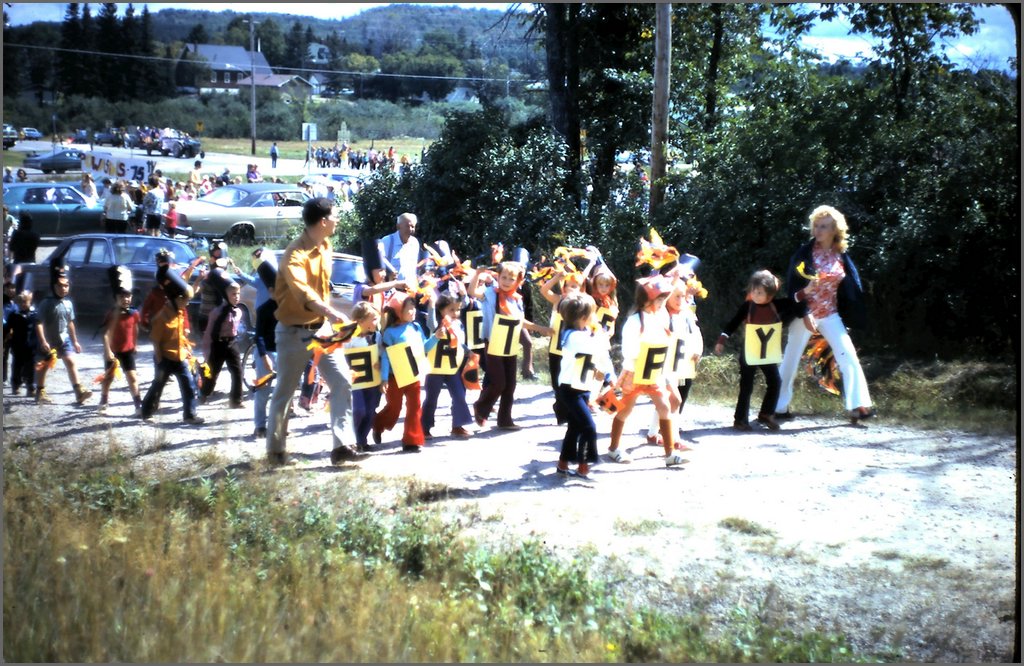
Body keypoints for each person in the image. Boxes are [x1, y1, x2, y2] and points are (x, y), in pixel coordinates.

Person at [266, 197, 368, 466]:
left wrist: (328, 316)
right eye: (335, 216)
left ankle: (342, 446)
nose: (338, 220)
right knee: (284, 394)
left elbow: (322, 288)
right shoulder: (294, 255)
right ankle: (276, 453)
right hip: (291, 331)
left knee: (342, 381)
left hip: (320, 331)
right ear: (323, 221)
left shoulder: (325, 245)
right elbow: (304, 293)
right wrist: (331, 312)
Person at [775, 205, 874, 423]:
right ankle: (777, 407)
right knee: (790, 361)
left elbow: (850, 287)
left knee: (849, 357)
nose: (818, 230)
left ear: (834, 230)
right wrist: (804, 313)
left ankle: (858, 406)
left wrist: (850, 314)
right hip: (805, 314)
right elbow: (793, 288)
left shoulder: (841, 255)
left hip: (830, 314)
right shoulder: (804, 254)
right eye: (816, 226)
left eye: (824, 227)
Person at [605, 274, 685, 467]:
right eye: (659, 299)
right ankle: (614, 448)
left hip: (654, 373)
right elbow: (629, 351)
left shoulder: (661, 315)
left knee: (665, 407)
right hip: (634, 373)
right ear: (647, 299)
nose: (662, 303)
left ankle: (670, 454)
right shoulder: (634, 321)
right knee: (624, 410)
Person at [468, 260, 554, 431]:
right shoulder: (489, 293)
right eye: (504, 277)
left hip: (510, 343)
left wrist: (540, 328)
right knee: (498, 382)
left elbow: (520, 321)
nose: (506, 281)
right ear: (498, 277)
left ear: (518, 281)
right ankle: (481, 406)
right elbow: (471, 291)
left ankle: (505, 419)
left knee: (510, 384)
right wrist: (477, 274)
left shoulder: (516, 300)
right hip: (493, 343)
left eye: (511, 279)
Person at [714, 269, 799, 431]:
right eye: (753, 291)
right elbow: (733, 322)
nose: (755, 294)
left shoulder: (777, 305)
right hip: (749, 352)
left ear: (770, 295)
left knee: (775, 382)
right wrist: (721, 340)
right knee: (746, 386)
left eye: (759, 292)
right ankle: (740, 419)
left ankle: (767, 413)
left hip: (767, 354)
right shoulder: (748, 306)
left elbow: (795, 300)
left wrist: (808, 291)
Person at [555, 292, 616, 479]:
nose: (595, 317)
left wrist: (610, 375)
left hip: (582, 387)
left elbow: (601, 357)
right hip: (569, 390)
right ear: (583, 318)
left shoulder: (585, 334)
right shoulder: (573, 336)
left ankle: (563, 463)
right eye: (592, 314)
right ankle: (584, 465)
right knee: (589, 426)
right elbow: (596, 347)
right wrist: (602, 333)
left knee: (574, 427)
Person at [371, 290, 438, 452]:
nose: (413, 311)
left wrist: (436, 337)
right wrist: (385, 379)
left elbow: (424, 348)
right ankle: (378, 424)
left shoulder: (416, 327)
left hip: (413, 376)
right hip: (395, 377)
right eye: (408, 308)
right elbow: (386, 357)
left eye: (413, 307)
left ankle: (412, 440)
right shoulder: (389, 333)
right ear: (398, 311)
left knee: (415, 407)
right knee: (394, 408)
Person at [139, 267, 204, 425]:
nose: (187, 303)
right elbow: (155, 339)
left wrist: (199, 280)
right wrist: (160, 360)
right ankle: (146, 411)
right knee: (157, 386)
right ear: (177, 299)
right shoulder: (162, 317)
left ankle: (190, 414)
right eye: (185, 300)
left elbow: (181, 334)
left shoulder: (180, 312)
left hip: (179, 357)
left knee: (188, 385)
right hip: (165, 359)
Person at [33, 263, 93, 405]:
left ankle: (79, 392)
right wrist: (42, 341)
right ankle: (40, 392)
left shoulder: (68, 304)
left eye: (66, 285)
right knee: (44, 366)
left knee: (71, 362)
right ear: (53, 286)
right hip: (48, 341)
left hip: (64, 339)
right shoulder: (46, 303)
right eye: (60, 285)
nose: (63, 288)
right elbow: (39, 323)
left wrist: (75, 341)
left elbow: (70, 323)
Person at [421, 291, 477, 440]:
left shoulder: (458, 324)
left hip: (452, 368)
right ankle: (424, 427)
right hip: (435, 369)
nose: (455, 313)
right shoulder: (436, 324)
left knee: (459, 395)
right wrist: (432, 305)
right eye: (451, 309)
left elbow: (459, 343)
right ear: (441, 310)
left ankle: (457, 425)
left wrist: (468, 352)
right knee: (432, 398)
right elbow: (430, 324)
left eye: (457, 309)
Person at [98, 267, 143, 416]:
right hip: (113, 352)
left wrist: (135, 344)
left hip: (128, 351)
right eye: (122, 296)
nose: (126, 299)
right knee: (108, 378)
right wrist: (107, 351)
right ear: (116, 298)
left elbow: (135, 329)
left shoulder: (134, 313)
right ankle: (104, 400)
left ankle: (138, 404)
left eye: (128, 296)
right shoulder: (112, 314)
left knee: (132, 378)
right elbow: (105, 334)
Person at [343, 301, 382, 452]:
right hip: (356, 381)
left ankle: (362, 440)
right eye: (372, 319)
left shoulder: (377, 336)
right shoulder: (349, 337)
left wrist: (380, 362)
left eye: (376, 318)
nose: (376, 322)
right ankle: (353, 439)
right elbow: (343, 355)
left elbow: (381, 353)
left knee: (371, 410)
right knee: (359, 410)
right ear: (360, 321)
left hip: (372, 379)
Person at [199, 280, 245, 409]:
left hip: (232, 343)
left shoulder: (239, 312)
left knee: (238, 372)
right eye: (233, 294)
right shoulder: (217, 312)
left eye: (238, 294)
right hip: (218, 344)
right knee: (212, 373)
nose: (236, 297)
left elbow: (236, 329)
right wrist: (207, 351)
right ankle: (203, 393)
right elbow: (208, 333)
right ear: (226, 295)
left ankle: (236, 400)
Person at [250, 256, 279, 439]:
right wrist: (264, 356)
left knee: (282, 392)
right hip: (266, 352)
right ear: (270, 290)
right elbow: (258, 336)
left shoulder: (288, 306)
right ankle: (260, 425)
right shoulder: (264, 309)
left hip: (283, 352)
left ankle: (277, 424)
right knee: (263, 391)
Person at [7, 289, 37, 396]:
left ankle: (31, 387)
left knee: (31, 367)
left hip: (32, 346)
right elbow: (7, 329)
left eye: (25, 302)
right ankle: (16, 385)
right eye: (20, 302)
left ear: (30, 301)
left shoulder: (35, 314)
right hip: (17, 345)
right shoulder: (14, 315)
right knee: (17, 366)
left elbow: (40, 329)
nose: (22, 304)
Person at [378, 212, 421, 283]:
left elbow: (415, 267)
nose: (410, 229)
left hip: (410, 289)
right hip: (391, 289)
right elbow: (379, 262)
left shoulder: (415, 243)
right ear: (398, 226)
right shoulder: (387, 241)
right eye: (407, 226)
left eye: (413, 226)